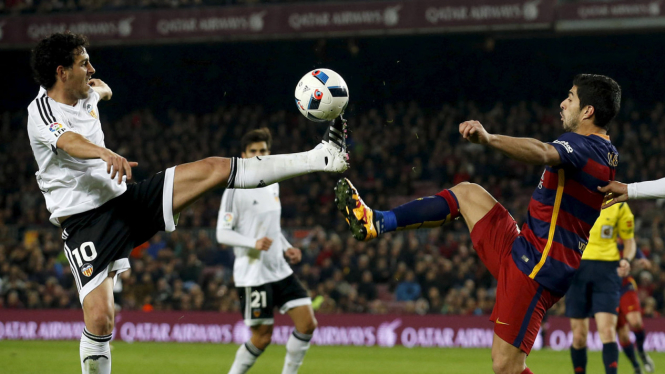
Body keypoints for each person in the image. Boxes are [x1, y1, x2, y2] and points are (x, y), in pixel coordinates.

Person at [28, 32, 348, 374]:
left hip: (126, 200)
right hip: (86, 222)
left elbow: (100, 91)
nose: (91, 68)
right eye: (83, 63)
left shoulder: (88, 91)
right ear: (61, 73)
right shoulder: (41, 111)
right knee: (102, 320)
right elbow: (69, 141)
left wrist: (101, 92)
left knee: (212, 168)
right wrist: (104, 151)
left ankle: (321, 157)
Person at [335, 74, 621, 374]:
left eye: (571, 98)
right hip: (525, 246)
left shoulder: (583, 146)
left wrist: (489, 139)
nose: (563, 103)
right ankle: (376, 221)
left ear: (587, 111)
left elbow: (543, 152)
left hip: (539, 267)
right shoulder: (606, 151)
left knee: (505, 367)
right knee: (467, 193)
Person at [217, 128, 323, 374]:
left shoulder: (272, 184)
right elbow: (222, 233)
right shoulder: (234, 190)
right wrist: (252, 243)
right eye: (253, 151)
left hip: (279, 269)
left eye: (262, 151)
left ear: (269, 153)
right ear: (243, 156)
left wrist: (287, 247)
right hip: (253, 275)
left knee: (307, 324)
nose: (258, 155)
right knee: (262, 338)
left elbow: (272, 228)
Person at [565, 202, 635, 374]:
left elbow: (629, 241)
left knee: (607, 331)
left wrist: (626, 259)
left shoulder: (620, 206)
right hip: (577, 269)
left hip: (607, 272)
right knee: (579, 336)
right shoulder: (575, 198)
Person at [617, 246, 655, 374]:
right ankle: (636, 366)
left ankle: (641, 351)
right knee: (622, 335)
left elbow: (630, 243)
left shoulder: (615, 230)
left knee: (635, 322)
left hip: (625, 284)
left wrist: (641, 257)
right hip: (607, 289)